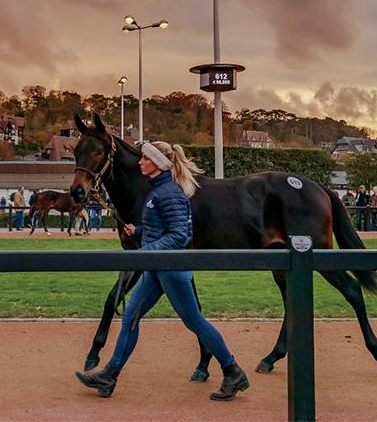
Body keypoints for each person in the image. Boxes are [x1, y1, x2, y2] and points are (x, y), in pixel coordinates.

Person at [75, 141, 249, 402]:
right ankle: (109, 375)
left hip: (171, 269)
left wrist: (148, 250)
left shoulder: (168, 193)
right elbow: (162, 230)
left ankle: (232, 371)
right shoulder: (157, 191)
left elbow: (180, 235)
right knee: (131, 317)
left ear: (157, 163)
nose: (140, 162)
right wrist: (140, 233)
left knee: (195, 322)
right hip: (157, 266)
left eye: (145, 159)